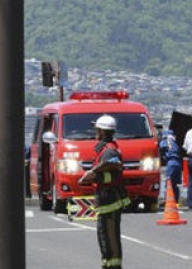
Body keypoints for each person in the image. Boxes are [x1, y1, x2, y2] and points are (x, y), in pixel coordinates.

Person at [78, 115, 129, 269]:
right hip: (106, 201)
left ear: (101, 131)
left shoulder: (109, 152)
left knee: (110, 239)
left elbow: (114, 174)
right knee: (104, 238)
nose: (95, 132)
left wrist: (94, 176)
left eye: (97, 130)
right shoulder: (105, 150)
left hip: (110, 200)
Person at [159, 129, 182, 206]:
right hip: (178, 163)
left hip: (171, 162)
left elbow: (160, 147)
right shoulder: (175, 142)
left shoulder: (166, 141)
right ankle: (176, 200)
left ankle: (168, 200)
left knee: (168, 183)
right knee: (175, 184)